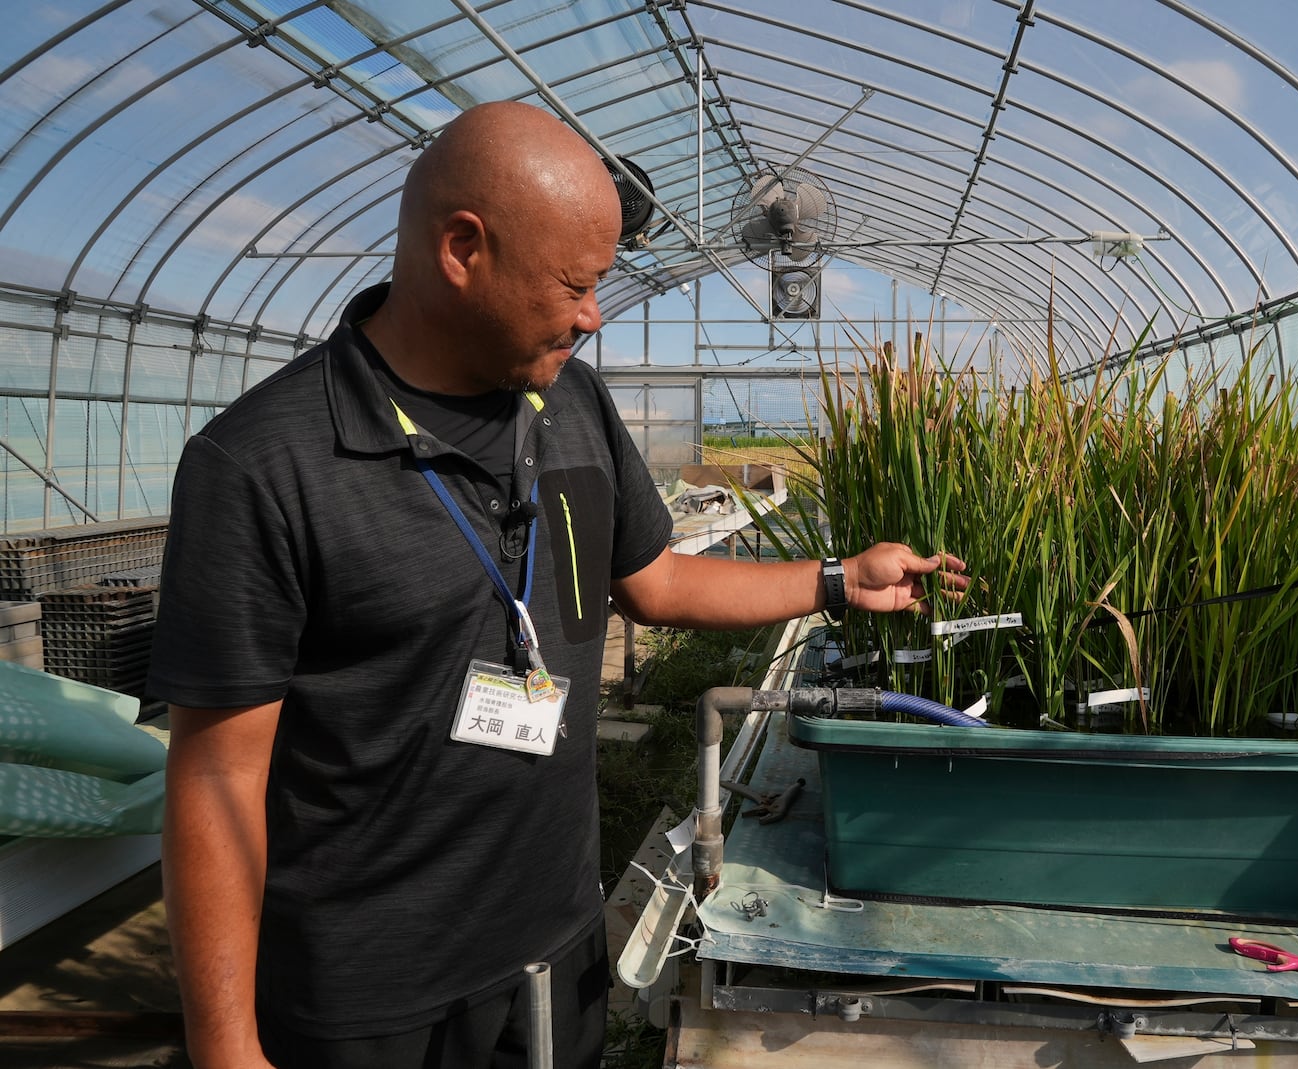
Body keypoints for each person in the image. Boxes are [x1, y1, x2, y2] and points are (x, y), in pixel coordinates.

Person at [147, 100, 967, 1069]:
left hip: (554, 944)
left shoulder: (569, 399)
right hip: (363, 995)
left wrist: (837, 580)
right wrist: (225, 1046)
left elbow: (655, 581)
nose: (591, 315)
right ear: (463, 248)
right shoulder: (264, 464)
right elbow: (217, 776)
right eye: (574, 284)